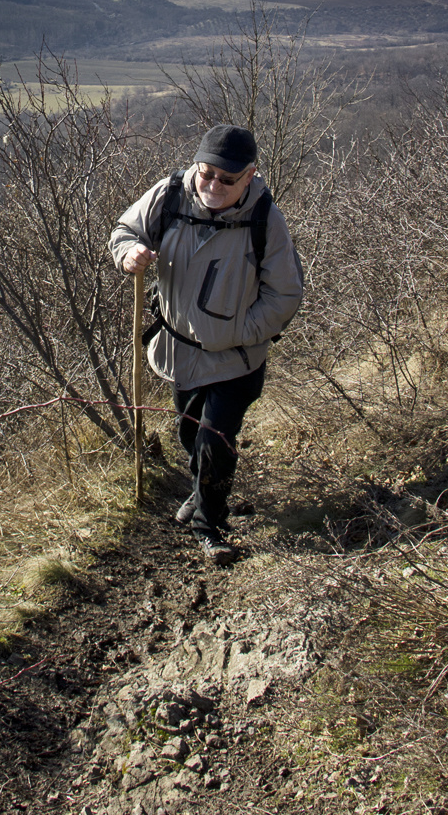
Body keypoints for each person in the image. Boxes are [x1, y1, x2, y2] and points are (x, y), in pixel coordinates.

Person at [110, 125, 303, 565]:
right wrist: (129, 254)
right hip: (178, 353)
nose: (213, 185)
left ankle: (210, 525)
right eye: (206, 173)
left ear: (250, 176)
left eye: (227, 179)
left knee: (215, 440)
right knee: (190, 433)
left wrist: (236, 330)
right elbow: (124, 230)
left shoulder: (264, 217)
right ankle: (201, 493)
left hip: (236, 360)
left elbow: (285, 295)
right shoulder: (170, 195)